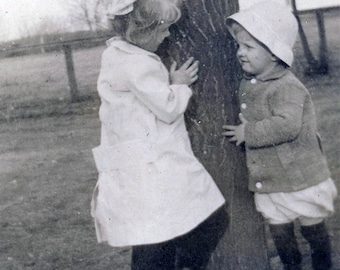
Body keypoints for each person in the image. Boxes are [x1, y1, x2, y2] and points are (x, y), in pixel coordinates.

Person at [91, 0, 226, 269]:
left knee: (153, 233)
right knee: (209, 219)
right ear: (142, 32)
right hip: (152, 161)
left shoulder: (114, 55)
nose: (167, 35)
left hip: (134, 161)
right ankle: (188, 264)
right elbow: (167, 107)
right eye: (163, 30)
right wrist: (179, 85)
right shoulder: (139, 64)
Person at [222, 2, 337, 270]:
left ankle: (323, 266)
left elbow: (287, 126)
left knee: (313, 230)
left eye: (249, 47)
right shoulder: (249, 82)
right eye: (239, 46)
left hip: (300, 177)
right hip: (272, 180)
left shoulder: (287, 87)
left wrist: (247, 132)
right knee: (281, 235)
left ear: (274, 54)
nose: (240, 53)